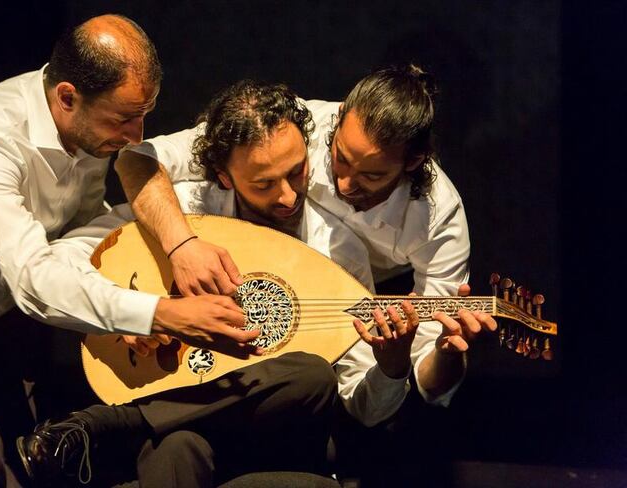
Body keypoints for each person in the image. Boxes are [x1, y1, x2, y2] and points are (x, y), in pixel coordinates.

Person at [0, 15, 261, 487]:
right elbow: (30, 277)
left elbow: (80, 231)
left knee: (45, 464)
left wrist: (123, 306)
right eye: (124, 118)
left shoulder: (85, 131)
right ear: (67, 97)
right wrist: (160, 313)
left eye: (144, 114)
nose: (136, 136)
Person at [18, 79, 495, 487]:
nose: (290, 196)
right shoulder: (187, 208)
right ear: (223, 176)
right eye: (264, 184)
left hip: (276, 423)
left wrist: (392, 365)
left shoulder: (339, 248)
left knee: (311, 375)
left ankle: (108, 427)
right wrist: (136, 310)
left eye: (298, 173)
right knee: (180, 448)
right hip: (182, 396)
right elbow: (71, 248)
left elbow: (365, 408)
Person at [119, 65, 494, 422]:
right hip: (263, 270)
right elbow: (139, 159)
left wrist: (444, 354)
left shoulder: (437, 219)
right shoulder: (292, 128)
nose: (345, 184)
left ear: (413, 163)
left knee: (317, 379)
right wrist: (175, 254)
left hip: (358, 298)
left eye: (372, 175)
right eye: (340, 159)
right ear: (338, 121)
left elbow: (424, 382)